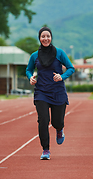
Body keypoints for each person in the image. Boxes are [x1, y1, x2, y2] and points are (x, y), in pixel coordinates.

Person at [26, 27, 75, 160]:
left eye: (48, 36)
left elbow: (71, 68)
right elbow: (28, 70)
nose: (45, 38)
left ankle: (59, 129)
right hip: (41, 92)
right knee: (43, 120)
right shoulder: (34, 56)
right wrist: (30, 77)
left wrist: (62, 76)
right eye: (43, 36)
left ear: (51, 37)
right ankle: (46, 150)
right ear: (39, 38)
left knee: (56, 122)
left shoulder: (59, 53)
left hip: (57, 92)